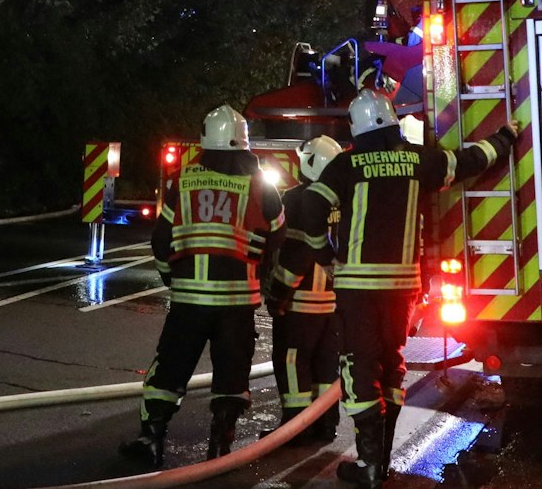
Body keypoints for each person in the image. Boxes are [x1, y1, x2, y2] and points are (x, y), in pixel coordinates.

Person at [307, 89, 517, 488]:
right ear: (390, 121)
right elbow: (471, 161)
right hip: (403, 288)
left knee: (360, 367)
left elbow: (310, 208)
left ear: (357, 127)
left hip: (358, 288)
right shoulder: (418, 159)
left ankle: (370, 465)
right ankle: (380, 462)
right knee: (390, 368)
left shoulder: (345, 164)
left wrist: (326, 256)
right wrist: (505, 137)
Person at [118, 104, 284, 468]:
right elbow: (278, 237)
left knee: (170, 369)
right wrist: (267, 278)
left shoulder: (184, 180)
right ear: (244, 142)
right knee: (231, 373)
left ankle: (152, 438)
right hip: (237, 302)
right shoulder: (260, 184)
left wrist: (168, 275)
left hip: (189, 300)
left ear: (205, 141)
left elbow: (161, 240)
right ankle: (221, 440)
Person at [261, 135, 344, 446]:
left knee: (293, 361)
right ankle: (325, 424)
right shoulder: (343, 198)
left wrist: (278, 294)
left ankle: (295, 429)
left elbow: (297, 255)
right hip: (334, 304)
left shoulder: (297, 200)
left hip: (300, 304)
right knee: (326, 364)